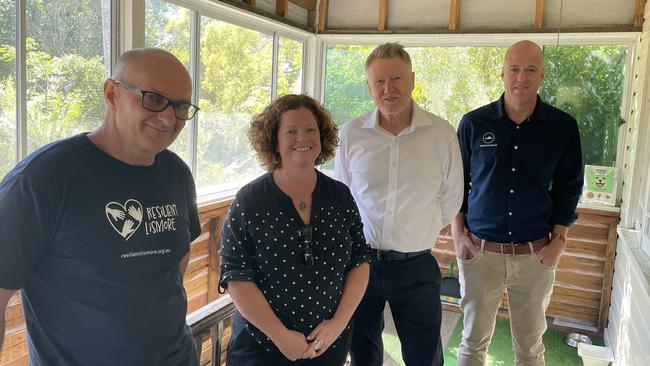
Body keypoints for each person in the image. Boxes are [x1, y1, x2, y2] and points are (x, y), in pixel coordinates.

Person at [0, 48, 201, 365]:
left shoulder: (177, 174)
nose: (168, 117)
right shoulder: (42, 180)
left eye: (180, 106)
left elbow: (174, 262)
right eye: (153, 99)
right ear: (112, 94)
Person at [451, 40, 583, 366]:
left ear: (542, 75)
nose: (520, 77)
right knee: (471, 343)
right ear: (502, 73)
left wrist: (560, 242)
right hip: (480, 253)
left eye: (530, 70)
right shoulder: (473, 124)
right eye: (514, 69)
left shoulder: (562, 128)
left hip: (535, 256)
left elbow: (569, 187)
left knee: (530, 347)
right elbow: (454, 183)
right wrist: (458, 234)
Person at [335, 42, 464, 366]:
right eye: (379, 82)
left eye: (396, 79)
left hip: (416, 266)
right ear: (369, 86)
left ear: (412, 79)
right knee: (362, 352)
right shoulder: (351, 135)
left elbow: (452, 198)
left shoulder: (441, 134)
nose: (387, 89)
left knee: (425, 356)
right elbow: (343, 197)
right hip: (361, 262)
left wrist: (418, 230)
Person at [219, 94, 371, 366]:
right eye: (291, 131)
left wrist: (338, 323)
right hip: (261, 347)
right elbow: (235, 274)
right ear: (274, 141)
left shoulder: (340, 196)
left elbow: (360, 259)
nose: (303, 138)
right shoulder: (250, 200)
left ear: (322, 137)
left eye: (311, 129)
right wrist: (280, 335)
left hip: (327, 346)